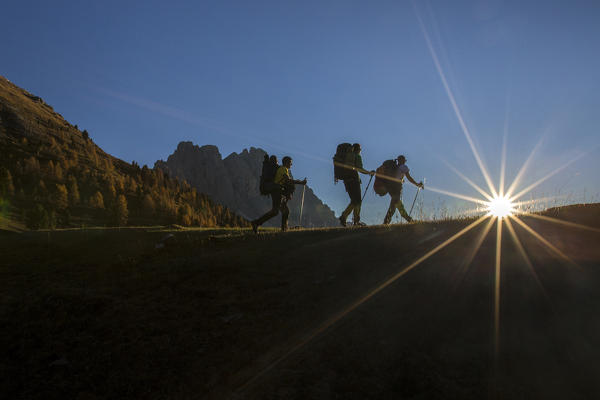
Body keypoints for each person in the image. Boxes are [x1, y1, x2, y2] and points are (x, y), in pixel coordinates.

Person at [252, 156, 307, 232]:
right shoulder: (283, 169)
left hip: (278, 191)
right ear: (287, 162)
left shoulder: (285, 169)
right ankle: (256, 223)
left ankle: (284, 229)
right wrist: (300, 182)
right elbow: (287, 180)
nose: (291, 164)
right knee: (275, 211)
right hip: (276, 191)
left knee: (285, 211)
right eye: (291, 162)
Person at [339, 143, 375, 227]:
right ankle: (351, 219)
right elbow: (359, 168)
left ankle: (348, 218)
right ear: (358, 149)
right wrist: (369, 173)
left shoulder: (347, 157)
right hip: (354, 180)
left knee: (354, 200)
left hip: (347, 181)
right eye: (360, 149)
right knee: (358, 200)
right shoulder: (357, 156)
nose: (360, 150)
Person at [383, 155, 423, 224]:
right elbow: (409, 178)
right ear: (402, 160)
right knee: (395, 204)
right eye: (404, 160)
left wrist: (401, 180)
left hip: (391, 187)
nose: (405, 161)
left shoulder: (396, 167)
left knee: (395, 204)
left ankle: (407, 219)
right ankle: (408, 220)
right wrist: (417, 184)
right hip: (397, 187)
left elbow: (397, 177)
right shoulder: (403, 167)